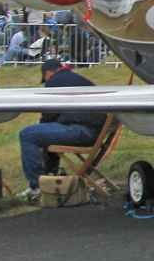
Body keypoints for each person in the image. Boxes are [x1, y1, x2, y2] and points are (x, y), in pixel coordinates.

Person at [16, 59, 106, 199]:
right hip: (95, 132)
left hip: (81, 131)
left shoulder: (53, 83)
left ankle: (37, 186)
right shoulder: (77, 78)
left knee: (27, 134)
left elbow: (48, 115)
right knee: (44, 133)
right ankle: (50, 177)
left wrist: (42, 124)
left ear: (47, 74)